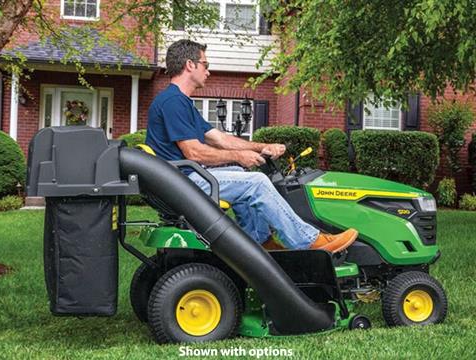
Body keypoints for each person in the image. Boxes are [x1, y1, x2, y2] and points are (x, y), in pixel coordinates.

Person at [146, 39, 358, 252]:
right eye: (205, 65)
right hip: (183, 183)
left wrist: (261, 147)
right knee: (256, 182)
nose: (208, 72)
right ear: (190, 65)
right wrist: (239, 156)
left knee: (240, 173)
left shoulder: (181, 102)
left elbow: (220, 139)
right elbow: (194, 152)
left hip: (183, 179)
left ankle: (259, 240)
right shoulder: (172, 101)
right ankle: (308, 241)